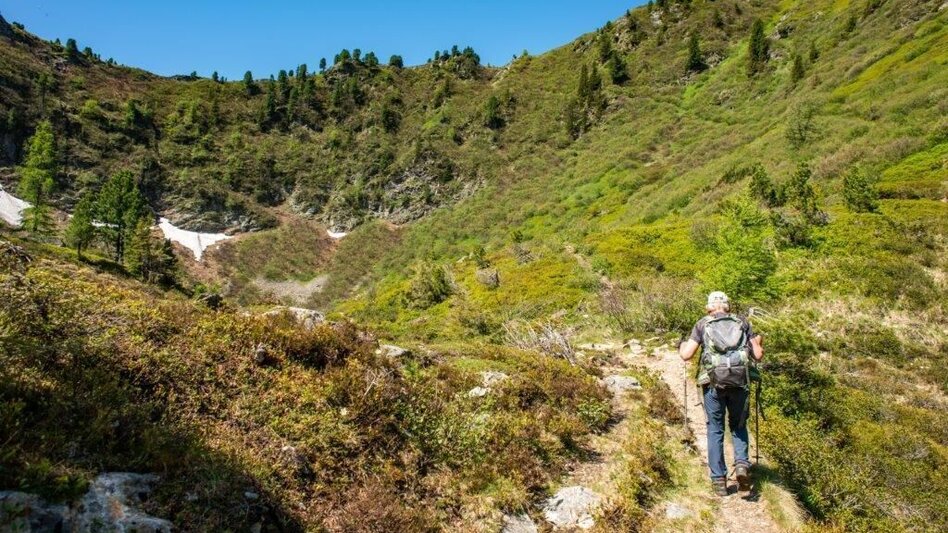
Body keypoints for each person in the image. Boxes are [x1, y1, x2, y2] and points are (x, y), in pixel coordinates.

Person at [679, 291, 763, 496]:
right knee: (739, 426)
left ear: (709, 307)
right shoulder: (742, 322)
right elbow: (758, 355)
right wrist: (758, 343)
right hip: (740, 382)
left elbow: (686, 355)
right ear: (727, 306)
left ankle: (719, 481)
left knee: (715, 429)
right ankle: (742, 465)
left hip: (712, 384)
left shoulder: (702, 324)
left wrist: (681, 345)